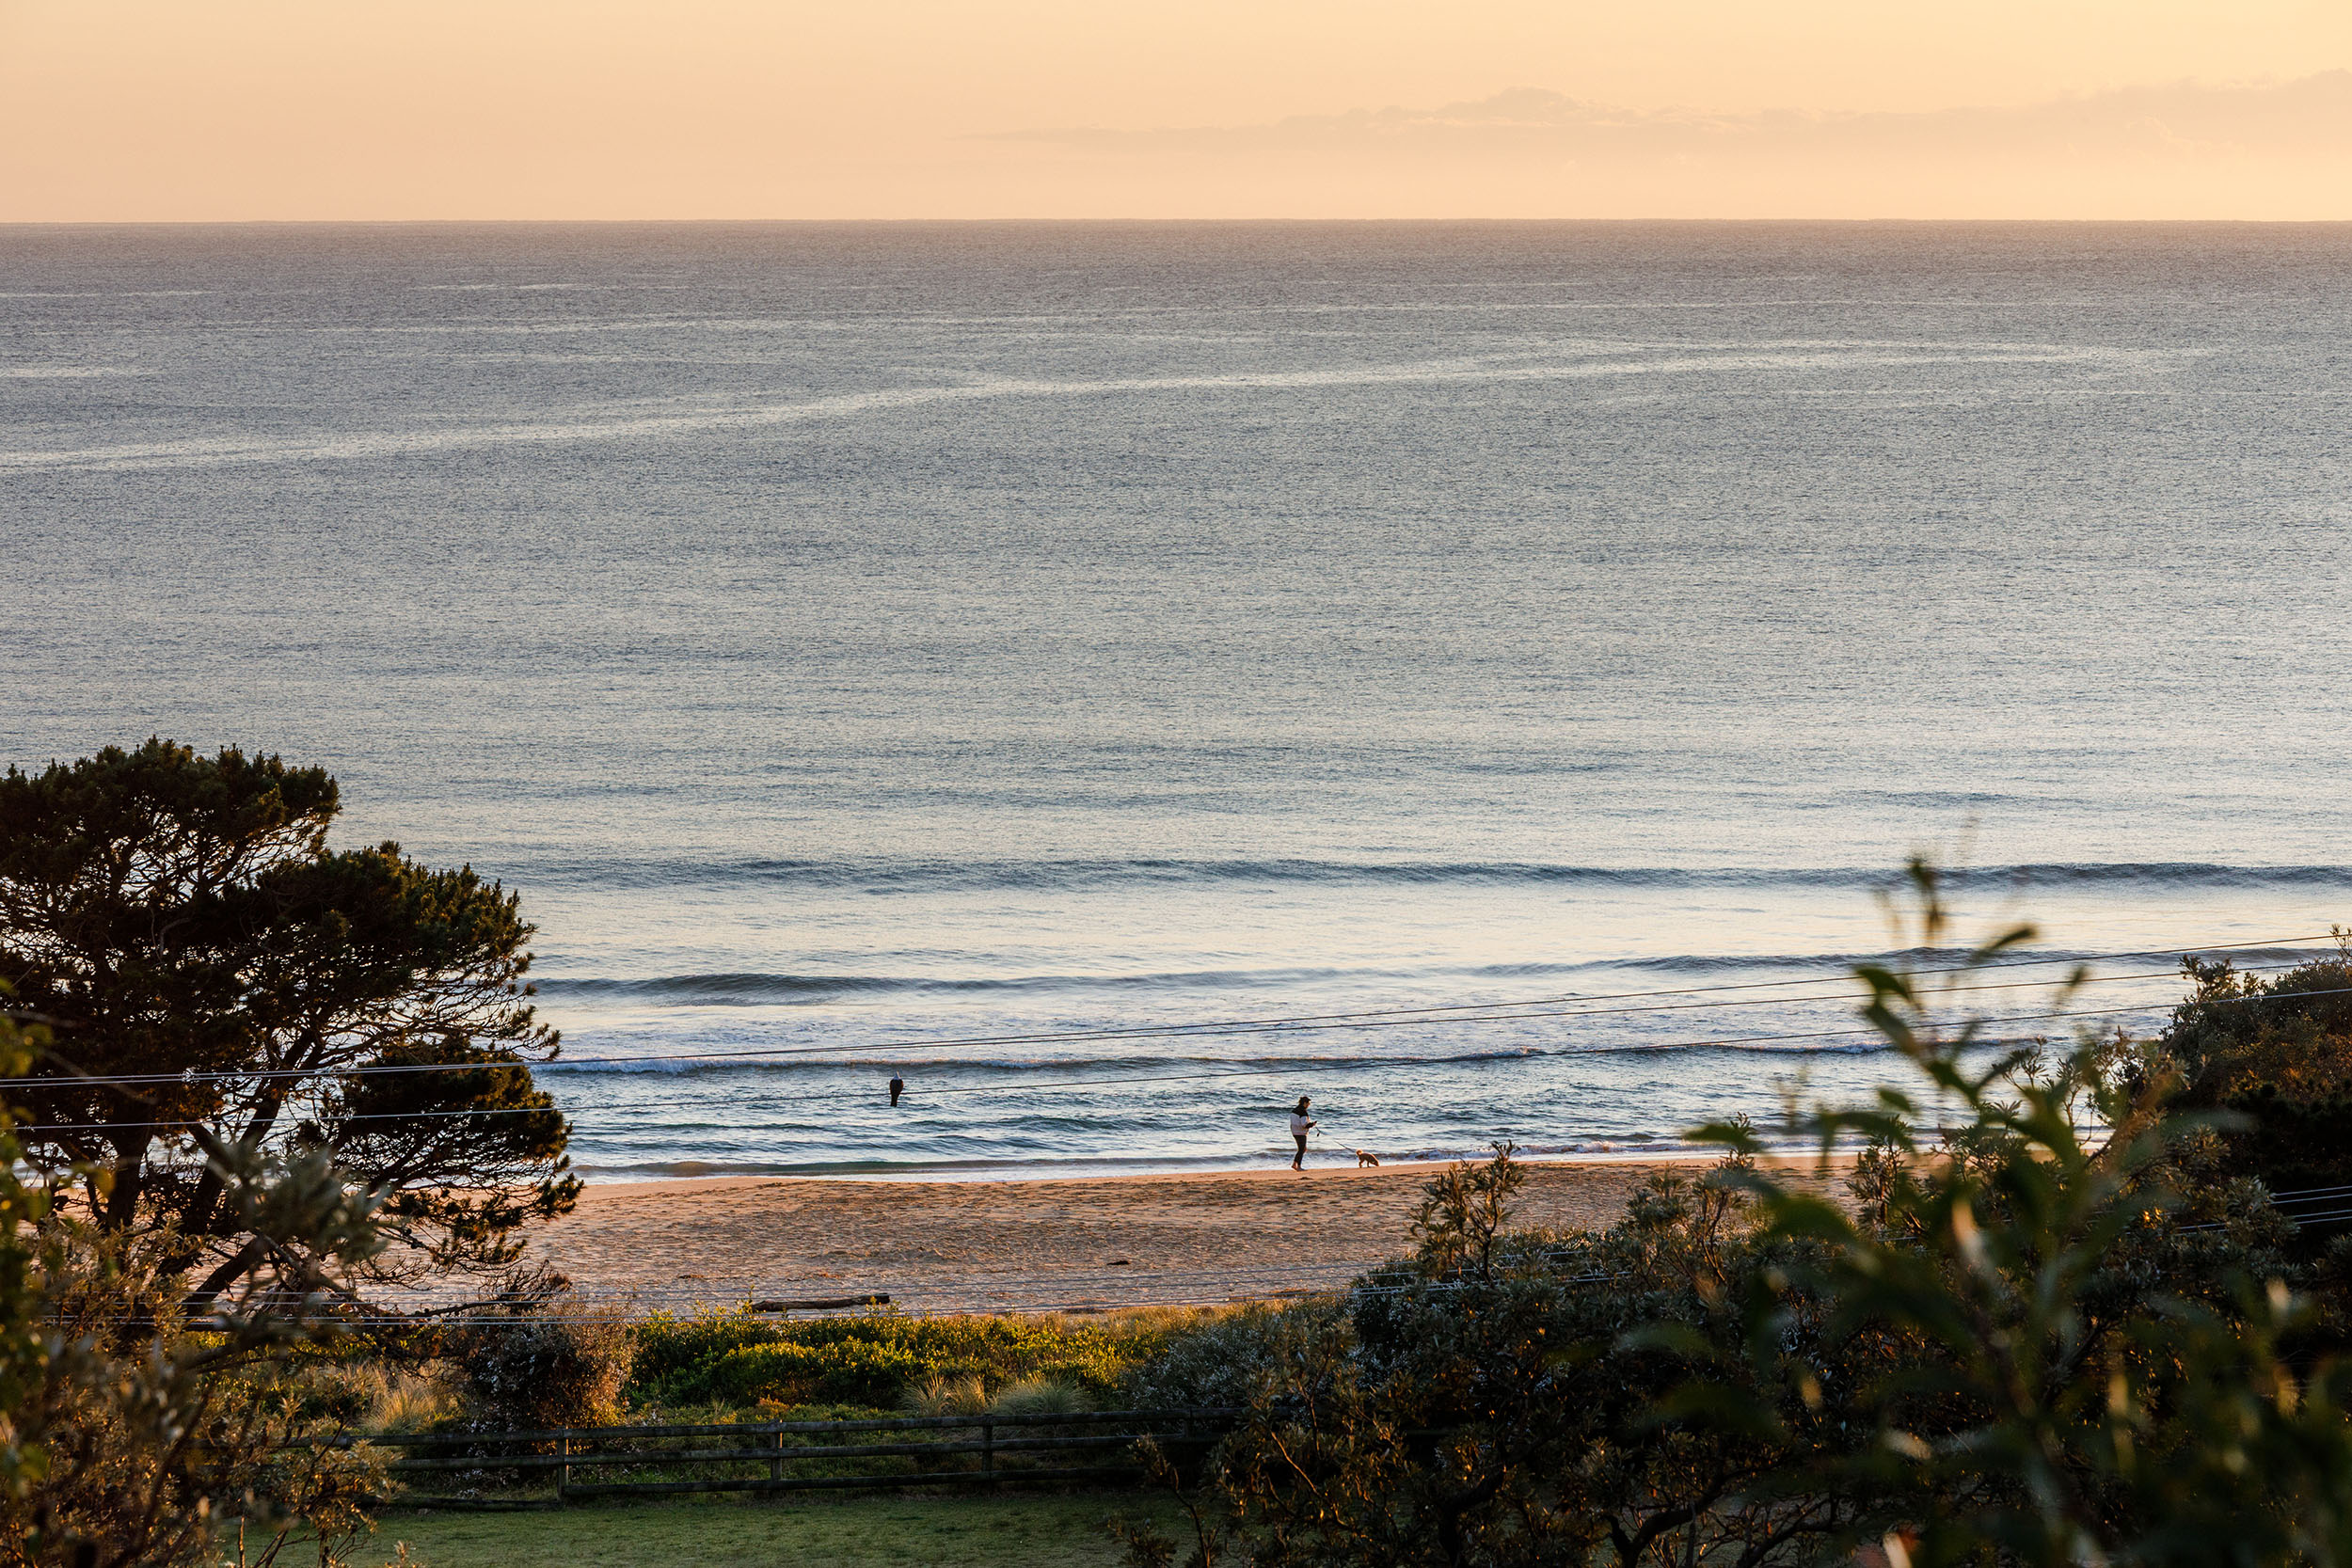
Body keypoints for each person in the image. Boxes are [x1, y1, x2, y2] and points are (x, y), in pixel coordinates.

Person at [1289, 1096, 1316, 1171]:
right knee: (1302, 1150)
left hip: (1294, 1131)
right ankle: (1298, 1166)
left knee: (1302, 1149)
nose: (1309, 1105)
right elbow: (1304, 1125)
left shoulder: (1294, 1110)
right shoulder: (1303, 1112)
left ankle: (1294, 1164)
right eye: (1308, 1103)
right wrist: (1312, 1124)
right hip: (1300, 1132)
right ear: (1305, 1103)